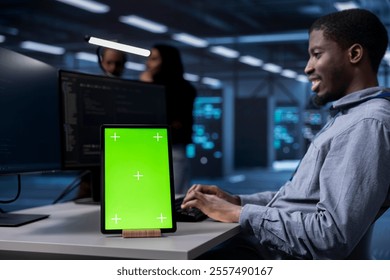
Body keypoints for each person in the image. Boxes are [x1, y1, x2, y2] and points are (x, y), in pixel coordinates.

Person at [181, 8, 390, 259]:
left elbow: (331, 237)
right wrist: (237, 201)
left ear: (354, 54)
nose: (307, 68)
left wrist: (239, 214)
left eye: (317, 55)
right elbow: (300, 200)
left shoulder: (365, 123)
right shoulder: (349, 117)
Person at [140, 44, 197, 195]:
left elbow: (162, 117)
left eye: (154, 59)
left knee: (170, 200)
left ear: (167, 61)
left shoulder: (180, 90)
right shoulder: (182, 88)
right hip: (154, 150)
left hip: (172, 151)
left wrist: (147, 87)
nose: (148, 64)